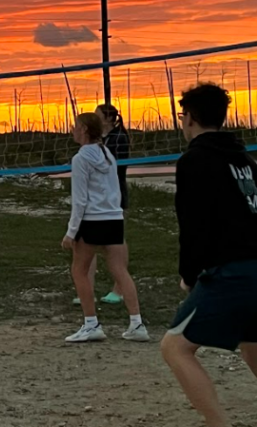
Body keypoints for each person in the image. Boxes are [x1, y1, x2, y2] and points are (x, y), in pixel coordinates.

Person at [162, 83, 257, 427]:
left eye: (182, 115)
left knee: (175, 347)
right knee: (252, 345)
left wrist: (189, 276)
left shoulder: (195, 160)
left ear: (190, 118)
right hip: (251, 266)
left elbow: (193, 226)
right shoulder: (244, 158)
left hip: (232, 270)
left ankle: (218, 423)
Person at [62, 112, 148, 344]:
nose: (72, 129)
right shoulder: (107, 153)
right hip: (113, 217)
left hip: (93, 219)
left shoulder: (81, 158)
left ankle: (91, 324)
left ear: (84, 130)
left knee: (79, 271)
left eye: (76, 126)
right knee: (120, 271)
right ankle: (137, 323)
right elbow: (115, 189)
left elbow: (79, 200)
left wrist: (71, 232)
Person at [73, 104, 131, 307]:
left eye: (98, 116)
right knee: (86, 248)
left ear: (107, 118)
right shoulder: (97, 146)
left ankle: (119, 289)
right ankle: (86, 289)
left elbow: (113, 170)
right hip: (97, 202)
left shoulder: (116, 140)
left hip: (113, 197)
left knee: (115, 246)